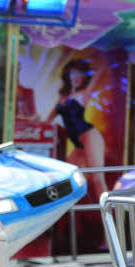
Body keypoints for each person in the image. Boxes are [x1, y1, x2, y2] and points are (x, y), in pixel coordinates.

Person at [47, 59, 108, 195]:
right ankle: (67, 213)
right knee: (66, 178)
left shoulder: (84, 93)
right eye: (73, 73)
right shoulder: (62, 97)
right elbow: (48, 120)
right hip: (77, 144)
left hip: (89, 136)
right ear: (67, 75)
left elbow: (99, 71)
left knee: (97, 177)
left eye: (80, 74)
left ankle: (109, 213)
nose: (76, 77)